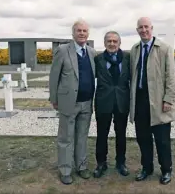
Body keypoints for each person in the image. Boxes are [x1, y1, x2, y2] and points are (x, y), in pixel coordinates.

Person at [129, 17, 175, 185]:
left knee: (162, 139)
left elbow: (171, 77)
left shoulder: (164, 48)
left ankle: (166, 170)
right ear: (137, 30)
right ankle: (146, 167)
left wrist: (169, 99)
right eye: (140, 27)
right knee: (143, 138)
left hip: (159, 101)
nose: (144, 30)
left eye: (146, 27)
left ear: (152, 28)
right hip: (140, 100)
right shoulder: (135, 49)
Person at [49, 19, 96, 185]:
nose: (82, 33)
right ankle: (65, 170)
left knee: (82, 137)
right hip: (68, 102)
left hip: (87, 103)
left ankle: (81, 167)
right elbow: (54, 76)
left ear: (88, 33)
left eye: (84, 31)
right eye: (79, 30)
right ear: (73, 33)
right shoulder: (62, 51)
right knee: (66, 137)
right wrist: (54, 99)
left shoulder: (91, 52)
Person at [93, 31, 130, 178]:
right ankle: (101, 163)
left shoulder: (127, 58)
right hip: (103, 102)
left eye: (115, 41)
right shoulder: (98, 59)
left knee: (121, 134)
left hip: (122, 101)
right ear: (104, 43)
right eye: (109, 41)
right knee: (102, 134)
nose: (112, 44)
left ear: (119, 43)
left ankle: (121, 163)